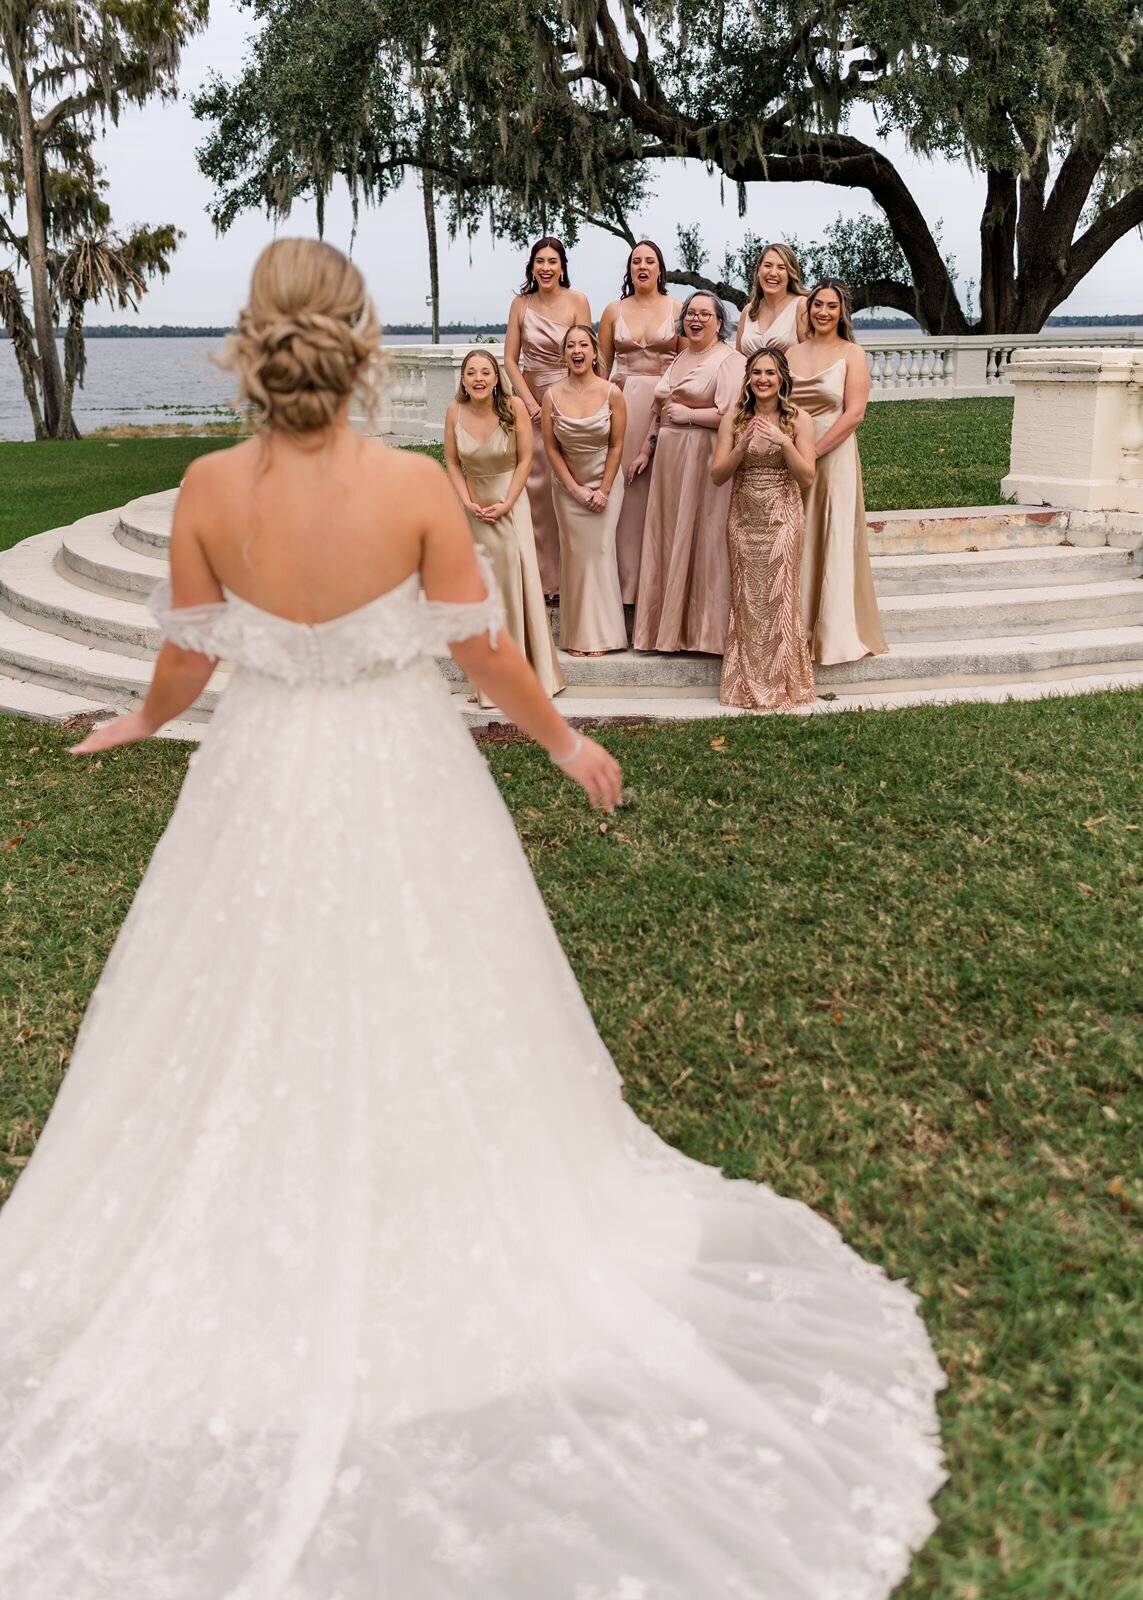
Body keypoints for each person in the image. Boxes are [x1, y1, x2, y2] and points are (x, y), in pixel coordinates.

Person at [0, 239, 945, 1600]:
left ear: (253, 344)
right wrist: (561, 742)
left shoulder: (209, 488)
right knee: (431, 996)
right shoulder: (408, 484)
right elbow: (481, 648)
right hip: (398, 779)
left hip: (257, 784)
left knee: (243, 1006)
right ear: (362, 339)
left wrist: (142, 721)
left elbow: (189, 654)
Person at [444, 348, 564, 705]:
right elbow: (451, 461)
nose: (478, 378)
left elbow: (526, 458)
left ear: (497, 378)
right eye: (471, 373)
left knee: (516, 585)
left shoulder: (514, 409)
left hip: (510, 504)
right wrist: (466, 502)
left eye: (485, 372)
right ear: (463, 380)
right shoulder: (454, 412)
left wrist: (508, 503)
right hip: (474, 509)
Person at [629, 291, 746, 653]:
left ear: (718, 321)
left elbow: (734, 416)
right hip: (668, 460)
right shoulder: (681, 356)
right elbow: (660, 408)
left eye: (704, 315)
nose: (695, 320)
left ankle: (704, 634)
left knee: (703, 537)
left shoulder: (729, 361)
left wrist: (691, 416)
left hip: (702, 456)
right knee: (667, 536)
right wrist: (646, 449)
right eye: (691, 314)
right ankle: (665, 631)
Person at [787, 277, 889, 664]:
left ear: (841, 312)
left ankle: (832, 633)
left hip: (835, 455)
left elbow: (855, 413)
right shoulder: (792, 354)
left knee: (831, 533)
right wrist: (796, 452)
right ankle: (796, 629)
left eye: (831, 306)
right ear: (809, 309)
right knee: (799, 535)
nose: (823, 312)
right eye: (817, 305)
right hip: (796, 456)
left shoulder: (852, 354)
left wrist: (815, 451)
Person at [712, 346, 818, 710]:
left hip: (784, 516)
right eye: (756, 373)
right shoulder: (734, 419)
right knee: (746, 598)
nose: (762, 379)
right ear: (748, 379)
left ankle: (786, 683)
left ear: (782, 378)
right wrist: (741, 446)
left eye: (770, 373)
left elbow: (807, 476)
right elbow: (717, 476)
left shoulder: (798, 419)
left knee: (780, 595)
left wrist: (784, 443)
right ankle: (744, 684)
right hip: (743, 518)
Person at [503, 237, 591, 598]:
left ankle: (572, 581)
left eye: (553, 261)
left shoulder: (578, 301)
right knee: (536, 490)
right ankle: (541, 580)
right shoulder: (520, 305)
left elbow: (585, 352)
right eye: (540, 261)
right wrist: (529, 403)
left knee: (569, 487)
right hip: (532, 401)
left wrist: (571, 402)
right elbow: (510, 359)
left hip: (570, 399)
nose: (546, 268)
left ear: (562, 266)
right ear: (532, 266)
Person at [597, 240, 681, 603]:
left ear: (660, 269)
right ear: (629, 270)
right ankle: (625, 586)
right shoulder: (613, 310)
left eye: (649, 261)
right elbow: (600, 367)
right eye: (636, 261)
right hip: (623, 407)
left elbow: (686, 362)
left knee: (663, 494)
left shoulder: (678, 308)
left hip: (667, 406)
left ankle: (661, 585)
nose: (642, 266)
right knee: (627, 494)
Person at [542, 325, 628, 656]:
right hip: (567, 486)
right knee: (576, 557)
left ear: (594, 352)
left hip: (605, 482)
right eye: (570, 346)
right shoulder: (551, 395)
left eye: (583, 345)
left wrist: (603, 489)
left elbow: (618, 445)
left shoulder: (612, 393)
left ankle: (605, 636)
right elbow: (551, 449)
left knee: (601, 553)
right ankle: (577, 637)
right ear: (564, 355)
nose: (577, 351)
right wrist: (574, 489)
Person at [736, 242, 809, 356]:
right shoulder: (747, 311)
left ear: (790, 274)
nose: (773, 273)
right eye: (768, 265)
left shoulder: (801, 306)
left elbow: (811, 356)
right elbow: (737, 360)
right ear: (758, 270)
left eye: (781, 267)